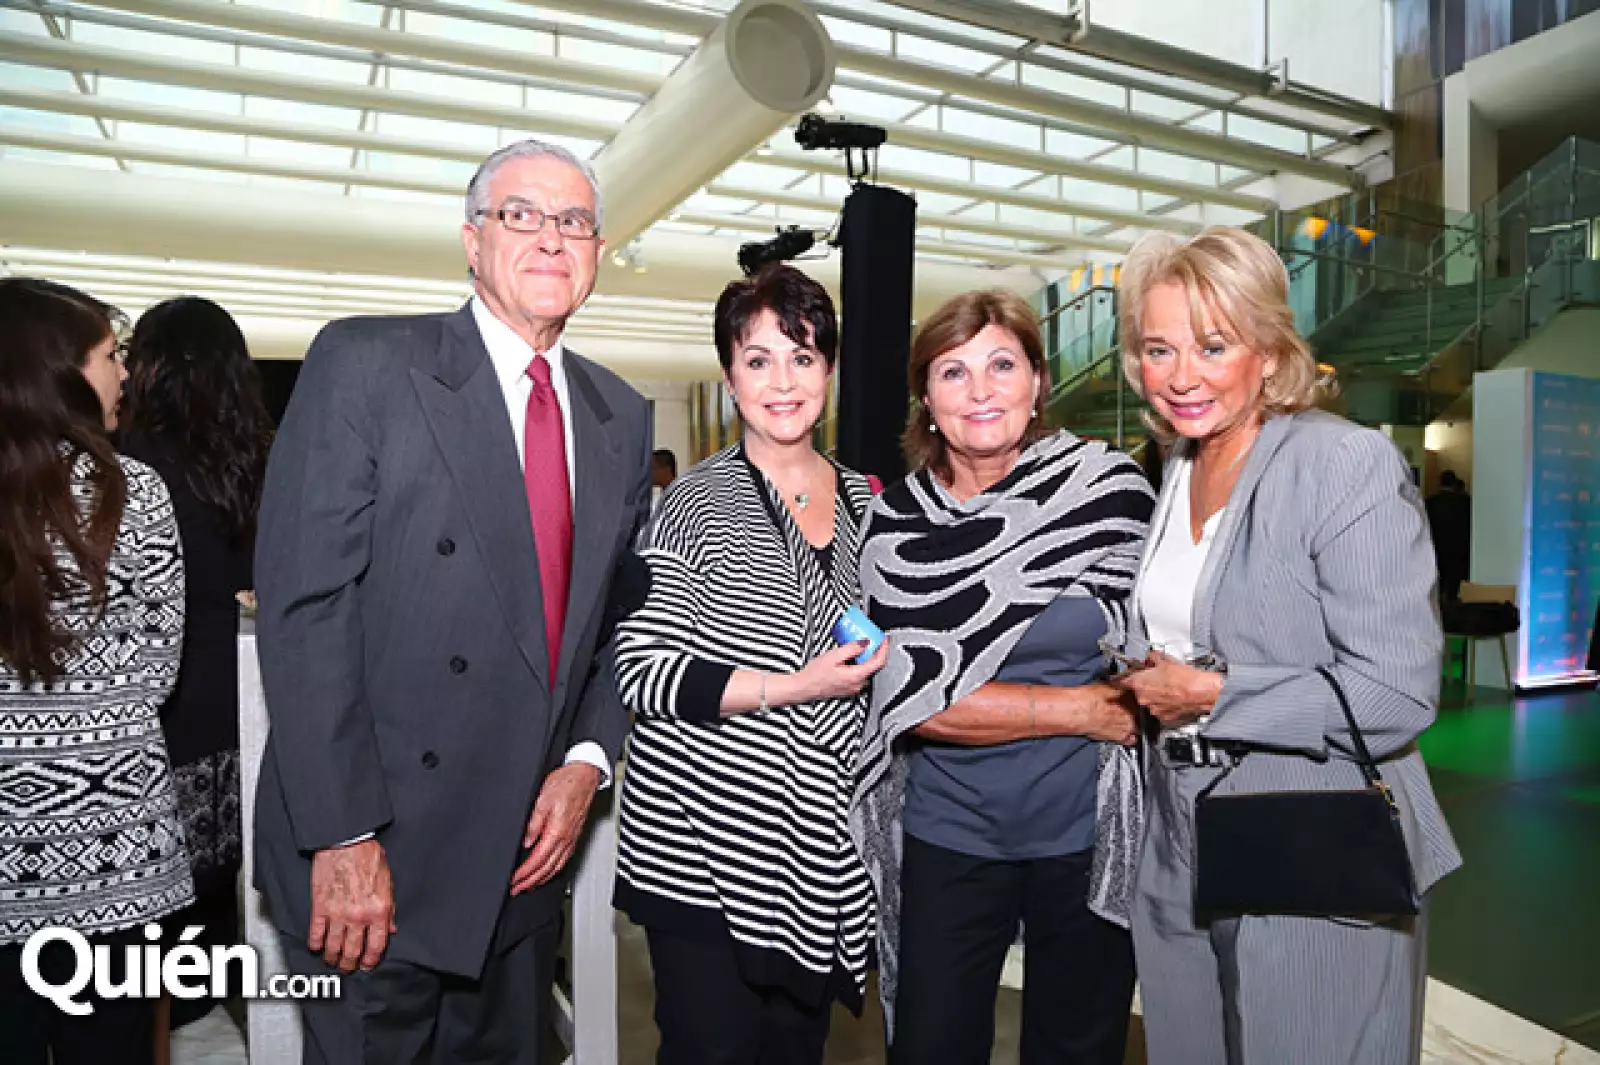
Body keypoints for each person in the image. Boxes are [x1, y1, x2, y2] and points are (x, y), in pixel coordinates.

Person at [253, 138, 653, 1064]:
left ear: (596, 251)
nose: (552, 237)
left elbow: (617, 618)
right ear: (472, 241)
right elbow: (306, 610)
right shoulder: (370, 363)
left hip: (518, 857)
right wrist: (344, 835)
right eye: (522, 214)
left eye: (576, 221)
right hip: (372, 855)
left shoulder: (618, 415)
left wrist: (587, 758)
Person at [1110, 228, 1461, 1065]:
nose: (1182, 374)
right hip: (1177, 830)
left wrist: (1212, 696)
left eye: (1213, 344)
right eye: (1159, 348)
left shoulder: (1343, 461)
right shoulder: (1177, 464)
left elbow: (1397, 692)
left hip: (1307, 827)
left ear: (1268, 351)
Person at [850, 289, 1154, 1065]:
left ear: (1038, 382)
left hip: (1087, 836)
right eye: (953, 372)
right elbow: (919, 703)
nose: (980, 391)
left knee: (1078, 1050)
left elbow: (1156, 654)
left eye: (1001, 365)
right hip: (950, 836)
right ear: (926, 396)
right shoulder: (895, 529)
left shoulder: (1106, 494)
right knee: (929, 1047)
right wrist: (1086, 708)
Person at [612, 265, 887, 1065]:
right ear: (730, 376)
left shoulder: (871, 503)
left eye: (802, 357)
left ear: (829, 373)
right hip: (702, 847)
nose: (782, 380)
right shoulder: (693, 502)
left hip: (820, 848)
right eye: (758, 359)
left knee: (794, 1053)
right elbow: (642, 668)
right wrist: (797, 685)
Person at [0, 279, 191, 1064]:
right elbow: (157, 669)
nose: (123, 375)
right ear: (56, 371)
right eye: (111, 356)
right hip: (117, 849)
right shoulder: (131, 490)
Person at [118, 296, 273, 1030]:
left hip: (158, 699)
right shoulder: (257, 458)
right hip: (238, 694)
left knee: (154, 887)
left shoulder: (127, 464)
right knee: (226, 879)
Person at [1426, 469, 1471, 601]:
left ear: (1440, 483)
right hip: (1459, 553)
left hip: (1436, 551)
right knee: (1454, 590)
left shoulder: (1430, 503)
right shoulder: (1466, 503)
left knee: (1436, 590)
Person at [650, 447, 677, 515]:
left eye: (653, 468)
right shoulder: (656, 501)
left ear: (666, 470)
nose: (649, 473)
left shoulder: (681, 498)